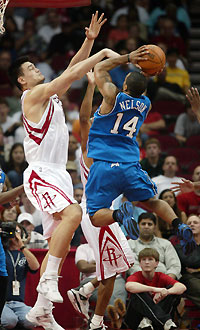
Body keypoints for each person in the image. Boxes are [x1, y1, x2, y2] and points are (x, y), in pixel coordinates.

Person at [8, 12, 116, 329]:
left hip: (58, 174)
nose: (35, 69)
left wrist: (89, 40)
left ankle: (41, 309)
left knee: (63, 238)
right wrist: (103, 55)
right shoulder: (32, 96)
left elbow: (70, 71)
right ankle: (47, 284)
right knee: (72, 215)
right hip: (41, 171)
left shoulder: (50, 95)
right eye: (29, 68)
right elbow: (71, 75)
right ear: (21, 81)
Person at [85, 49, 196, 256]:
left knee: (94, 215)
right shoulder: (146, 104)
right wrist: (149, 69)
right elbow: (139, 85)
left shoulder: (111, 97)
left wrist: (128, 58)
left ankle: (119, 214)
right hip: (130, 165)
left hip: (104, 164)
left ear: (124, 85)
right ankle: (178, 224)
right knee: (152, 201)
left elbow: (99, 67)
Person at [67, 71, 135, 330]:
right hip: (96, 215)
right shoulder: (90, 149)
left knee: (125, 261)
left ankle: (84, 290)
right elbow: (84, 117)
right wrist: (91, 85)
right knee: (110, 272)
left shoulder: (114, 147)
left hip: (107, 214)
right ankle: (96, 323)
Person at [124, 248, 186, 330]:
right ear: (140, 263)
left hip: (154, 322)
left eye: (150, 259)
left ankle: (147, 319)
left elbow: (182, 287)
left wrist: (166, 292)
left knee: (172, 290)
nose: (146, 262)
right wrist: (157, 290)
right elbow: (129, 286)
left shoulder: (160, 276)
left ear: (156, 263)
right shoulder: (136, 275)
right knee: (137, 291)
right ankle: (165, 320)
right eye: (143, 259)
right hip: (137, 319)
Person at [1, 222, 39, 329]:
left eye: (17, 231)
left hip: (18, 303)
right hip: (2, 302)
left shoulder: (23, 253)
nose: (14, 234)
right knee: (10, 320)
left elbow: (35, 266)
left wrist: (21, 246)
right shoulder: (1, 252)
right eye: (12, 231)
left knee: (32, 320)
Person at [127, 212, 181, 280]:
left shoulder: (166, 244)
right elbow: (132, 267)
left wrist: (166, 281)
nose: (146, 226)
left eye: (149, 224)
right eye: (143, 224)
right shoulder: (129, 244)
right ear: (138, 226)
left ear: (155, 227)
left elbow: (174, 266)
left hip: (164, 282)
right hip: (139, 282)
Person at [174, 214, 200, 308]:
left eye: (195, 222)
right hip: (189, 277)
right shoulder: (180, 246)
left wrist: (197, 269)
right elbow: (189, 262)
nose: (192, 225)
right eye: (189, 223)